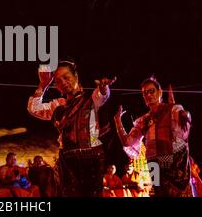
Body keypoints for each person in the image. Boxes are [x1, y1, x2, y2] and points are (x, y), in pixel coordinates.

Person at [27, 60, 116, 196]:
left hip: (90, 160)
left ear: (76, 76)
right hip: (67, 161)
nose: (63, 82)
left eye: (66, 77)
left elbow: (102, 96)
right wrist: (43, 85)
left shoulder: (91, 99)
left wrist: (104, 88)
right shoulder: (58, 105)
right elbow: (33, 108)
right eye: (58, 81)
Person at [114, 76, 193, 197]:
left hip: (171, 164)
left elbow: (182, 132)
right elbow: (128, 142)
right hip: (153, 164)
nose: (148, 95)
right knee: (159, 194)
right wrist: (117, 121)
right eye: (145, 93)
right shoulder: (143, 120)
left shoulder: (172, 110)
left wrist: (183, 114)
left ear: (160, 92)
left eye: (151, 91)